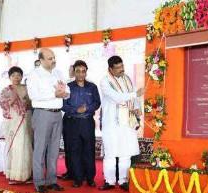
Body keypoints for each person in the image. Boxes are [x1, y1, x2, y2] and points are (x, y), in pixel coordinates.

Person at [27, 48, 69, 193]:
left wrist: (64, 93)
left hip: (58, 114)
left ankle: (51, 180)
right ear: (41, 60)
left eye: (54, 57)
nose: (53, 60)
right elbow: (34, 95)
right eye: (50, 58)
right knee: (40, 149)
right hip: (42, 114)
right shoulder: (34, 74)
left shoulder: (58, 72)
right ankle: (39, 182)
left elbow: (67, 90)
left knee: (54, 150)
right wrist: (54, 93)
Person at [99, 56, 144, 191]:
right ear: (110, 69)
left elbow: (134, 97)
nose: (121, 70)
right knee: (111, 153)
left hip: (127, 121)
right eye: (118, 68)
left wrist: (137, 109)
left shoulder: (127, 79)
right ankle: (110, 181)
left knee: (126, 152)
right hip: (112, 123)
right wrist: (135, 94)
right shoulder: (105, 81)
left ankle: (124, 180)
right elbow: (117, 98)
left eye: (122, 66)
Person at [62, 60, 101, 188]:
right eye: (78, 71)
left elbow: (97, 103)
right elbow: (63, 105)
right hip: (71, 122)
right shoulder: (67, 87)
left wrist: (87, 109)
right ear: (74, 72)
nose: (80, 74)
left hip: (87, 122)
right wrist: (76, 110)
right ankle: (77, 178)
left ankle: (90, 178)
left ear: (86, 72)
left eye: (83, 71)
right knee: (74, 150)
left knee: (89, 150)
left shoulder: (92, 87)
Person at [0, 66, 32, 184]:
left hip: (27, 119)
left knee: (26, 145)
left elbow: (32, 103)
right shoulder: (7, 90)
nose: (16, 77)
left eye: (18, 75)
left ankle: (27, 174)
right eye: (13, 75)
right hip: (14, 120)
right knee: (16, 146)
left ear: (22, 76)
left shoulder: (27, 88)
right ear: (10, 77)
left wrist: (28, 102)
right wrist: (10, 101)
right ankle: (15, 175)